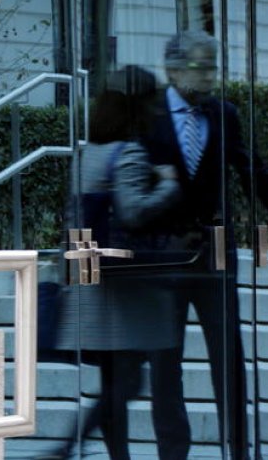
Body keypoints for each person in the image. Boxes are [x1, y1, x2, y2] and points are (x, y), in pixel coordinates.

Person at [142, 31, 268, 460]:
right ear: (174, 69)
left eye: (214, 66)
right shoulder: (146, 115)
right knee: (165, 365)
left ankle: (236, 451)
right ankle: (172, 454)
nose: (211, 75)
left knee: (228, 361)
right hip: (163, 259)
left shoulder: (225, 115)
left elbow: (253, 170)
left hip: (215, 255)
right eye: (203, 66)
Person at [49, 65, 182, 460]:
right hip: (123, 286)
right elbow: (134, 212)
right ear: (137, 108)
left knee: (114, 382)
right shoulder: (131, 154)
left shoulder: (87, 154)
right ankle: (65, 448)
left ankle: (109, 455)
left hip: (90, 276)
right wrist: (170, 185)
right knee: (125, 383)